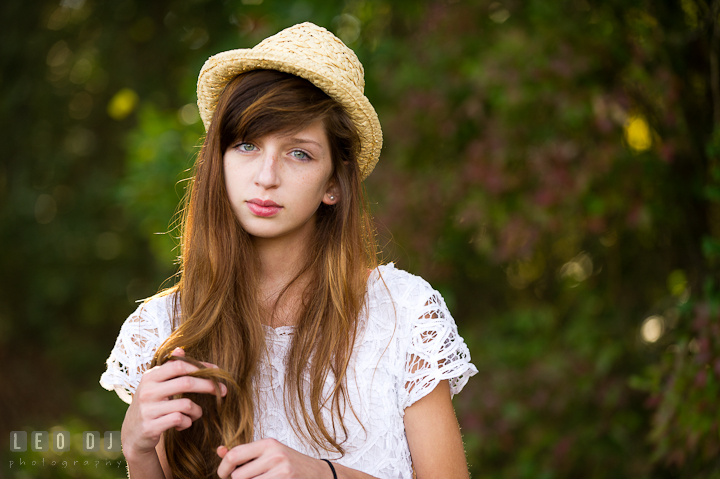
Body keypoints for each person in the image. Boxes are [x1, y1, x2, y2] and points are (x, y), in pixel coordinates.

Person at [99, 22, 478, 479]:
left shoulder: (403, 313)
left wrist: (323, 474)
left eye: (299, 153)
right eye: (246, 145)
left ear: (333, 184)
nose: (266, 176)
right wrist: (138, 452)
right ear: (219, 161)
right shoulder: (165, 327)